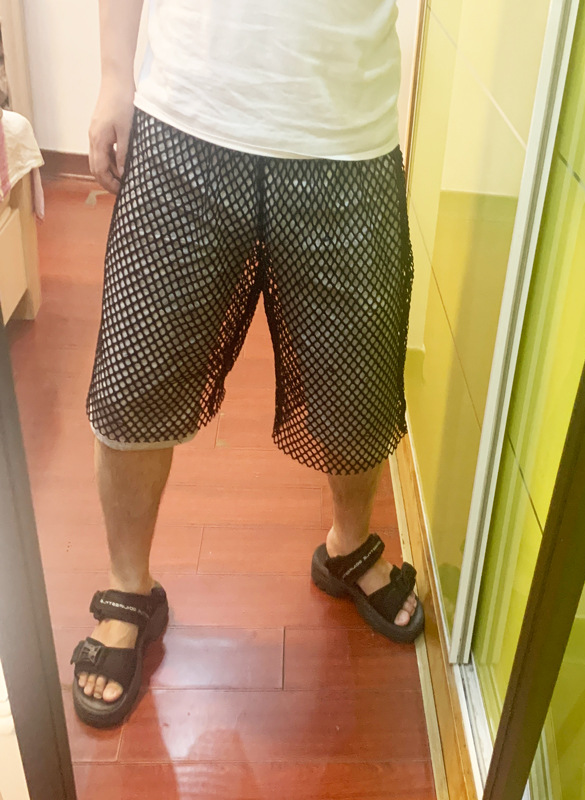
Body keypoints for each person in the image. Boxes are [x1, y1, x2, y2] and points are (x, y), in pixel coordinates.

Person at [69, 0, 423, 729]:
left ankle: (348, 544)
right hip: (184, 118)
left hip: (347, 136)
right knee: (135, 381)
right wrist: (112, 75)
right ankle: (128, 585)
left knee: (358, 390)